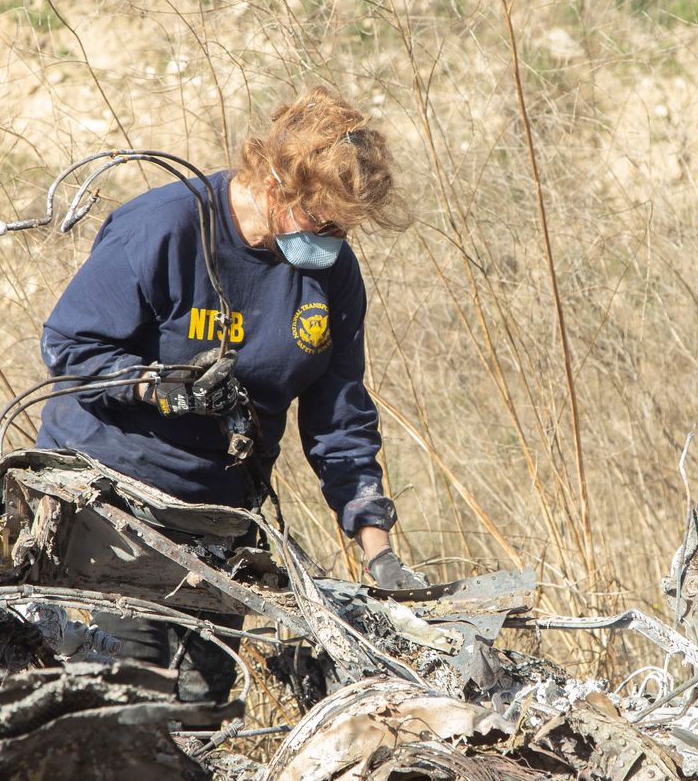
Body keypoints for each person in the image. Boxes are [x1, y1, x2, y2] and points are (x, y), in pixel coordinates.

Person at [35, 86, 423, 693]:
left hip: (218, 520)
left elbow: (339, 415)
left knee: (204, 710)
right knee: (126, 703)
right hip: (108, 508)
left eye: (342, 230)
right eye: (319, 222)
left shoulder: (330, 273)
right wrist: (161, 389)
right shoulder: (163, 227)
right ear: (277, 184)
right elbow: (71, 351)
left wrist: (379, 550)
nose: (328, 241)